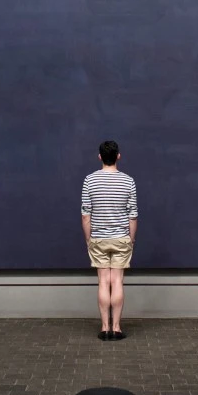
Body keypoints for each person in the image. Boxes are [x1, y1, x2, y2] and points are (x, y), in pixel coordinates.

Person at [81, 140, 137, 341]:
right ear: (118, 156)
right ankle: (117, 328)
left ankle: (105, 328)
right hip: (122, 237)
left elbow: (86, 215)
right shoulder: (128, 181)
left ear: (99, 157)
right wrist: (131, 239)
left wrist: (89, 238)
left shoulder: (90, 180)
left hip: (98, 238)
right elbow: (133, 215)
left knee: (103, 282)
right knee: (117, 282)